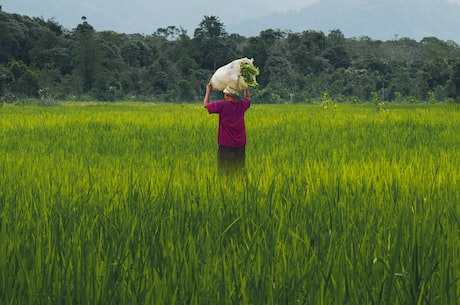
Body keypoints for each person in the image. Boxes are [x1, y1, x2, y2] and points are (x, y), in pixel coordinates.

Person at [203, 82, 250, 175]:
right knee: (239, 171)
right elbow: (247, 98)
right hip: (240, 144)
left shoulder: (222, 105)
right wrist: (246, 88)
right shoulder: (242, 105)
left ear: (227, 95)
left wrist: (208, 90)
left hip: (225, 144)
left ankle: (225, 187)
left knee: (224, 172)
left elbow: (206, 105)